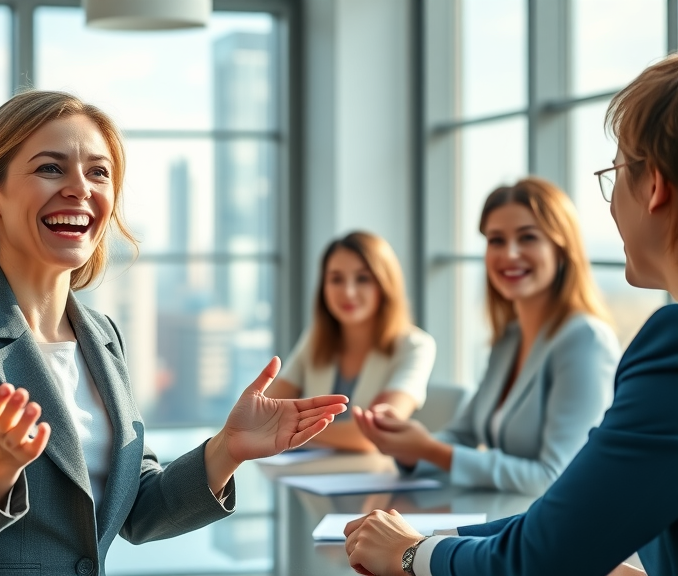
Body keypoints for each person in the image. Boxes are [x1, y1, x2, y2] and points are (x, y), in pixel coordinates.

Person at [0, 91, 348, 576]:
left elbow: (138, 512)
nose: (80, 188)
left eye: (98, 172)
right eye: (50, 168)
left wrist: (226, 449)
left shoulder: (102, 336)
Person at [343, 54, 678, 576]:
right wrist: (422, 533)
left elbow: (541, 547)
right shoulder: (510, 338)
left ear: (654, 186)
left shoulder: (653, 346)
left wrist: (412, 554)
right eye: (496, 241)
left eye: (615, 173)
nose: (611, 203)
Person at [354, 178, 619, 496]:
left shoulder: (585, 341)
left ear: (562, 250)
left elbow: (554, 476)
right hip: (510, 522)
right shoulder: (510, 338)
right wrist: (407, 444)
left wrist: (430, 450)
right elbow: (462, 435)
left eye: (528, 238)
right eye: (496, 240)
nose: (509, 253)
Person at [265, 231, 435, 452]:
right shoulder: (315, 337)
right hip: (306, 474)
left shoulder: (416, 346)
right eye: (336, 279)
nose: (348, 292)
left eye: (363, 278)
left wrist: (289, 427)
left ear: (385, 285)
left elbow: (374, 435)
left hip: (372, 478)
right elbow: (266, 412)